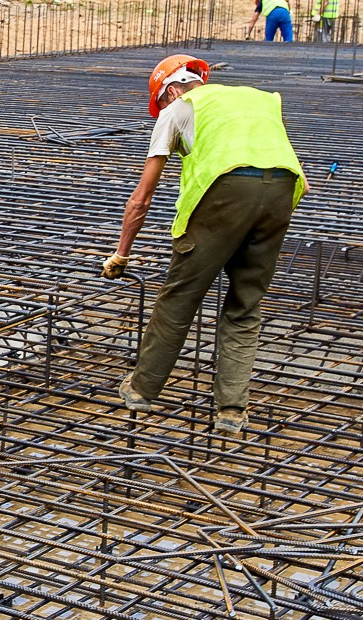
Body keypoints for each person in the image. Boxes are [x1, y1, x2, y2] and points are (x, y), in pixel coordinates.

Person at [102, 55, 307, 434]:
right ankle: (231, 410)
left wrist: (122, 253)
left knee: (180, 295)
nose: (161, 112)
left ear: (172, 90)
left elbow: (141, 198)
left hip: (225, 194)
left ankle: (142, 390)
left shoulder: (179, 108)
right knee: (245, 305)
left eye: (160, 103)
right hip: (282, 193)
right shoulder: (257, 98)